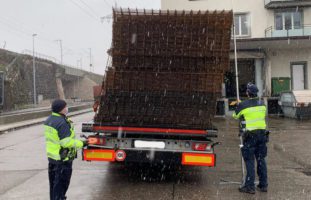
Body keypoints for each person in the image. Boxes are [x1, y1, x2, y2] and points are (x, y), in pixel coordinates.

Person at [44, 99, 87, 200]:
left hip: (52, 157)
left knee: (54, 185)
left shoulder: (49, 119)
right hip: (63, 158)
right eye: (65, 107)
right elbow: (66, 142)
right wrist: (82, 143)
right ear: (61, 109)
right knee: (61, 185)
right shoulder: (62, 123)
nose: (67, 108)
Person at [232, 83, 268, 194]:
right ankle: (263, 185)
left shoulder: (243, 105)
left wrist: (239, 105)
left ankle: (250, 186)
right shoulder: (262, 104)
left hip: (250, 136)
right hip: (262, 135)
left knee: (249, 160)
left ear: (247, 93)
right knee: (261, 160)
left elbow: (235, 116)